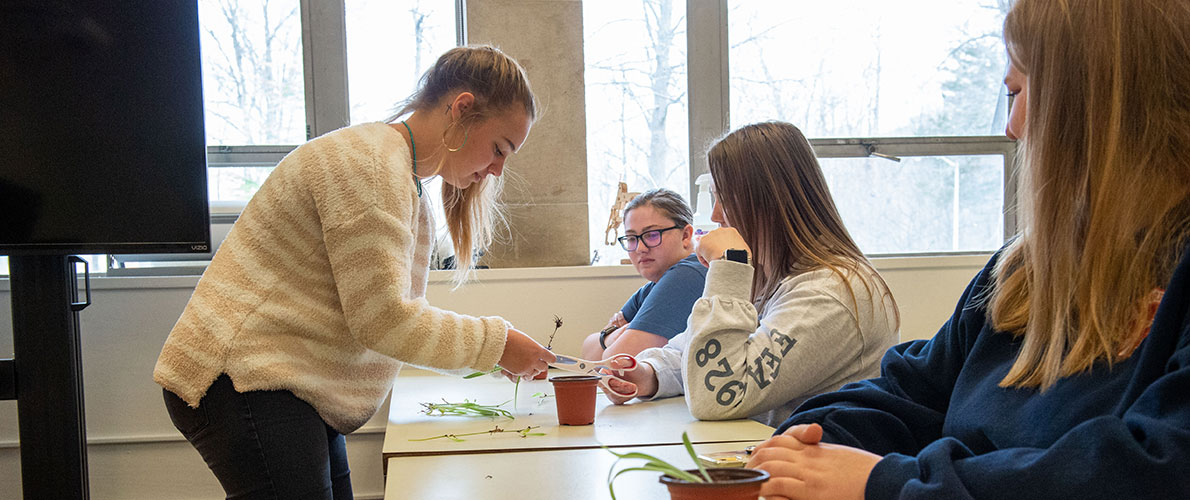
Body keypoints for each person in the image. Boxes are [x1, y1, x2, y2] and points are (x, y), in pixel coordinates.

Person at [746, 1, 1190, 498]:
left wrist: (888, 483)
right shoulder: (1021, 272)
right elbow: (910, 390)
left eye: (1017, 92)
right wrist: (809, 442)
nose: (1012, 126)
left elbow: (1155, 469)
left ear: (1098, 102)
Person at [154, 45, 556, 499]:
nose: (498, 170)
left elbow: (382, 314)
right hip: (243, 378)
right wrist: (498, 344)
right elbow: (385, 320)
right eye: (499, 148)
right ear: (462, 109)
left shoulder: (398, 174)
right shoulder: (369, 167)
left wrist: (494, 348)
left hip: (284, 383)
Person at [605, 121, 900, 427]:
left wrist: (728, 267)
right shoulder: (777, 276)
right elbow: (699, 354)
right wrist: (649, 374)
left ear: (768, 202)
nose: (716, 215)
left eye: (725, 198)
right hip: (769, 453)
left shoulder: (829, 293)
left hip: (809, 465)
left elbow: (716, 396)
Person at [580, 188, 708, 360]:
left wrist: (621, 334)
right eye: (632, 238)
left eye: (652, 235)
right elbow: (588, 352)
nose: (640, 248)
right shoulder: (651, 289)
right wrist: (614, 336)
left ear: (686, 235)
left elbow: (616, 362)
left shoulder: (688, 274)